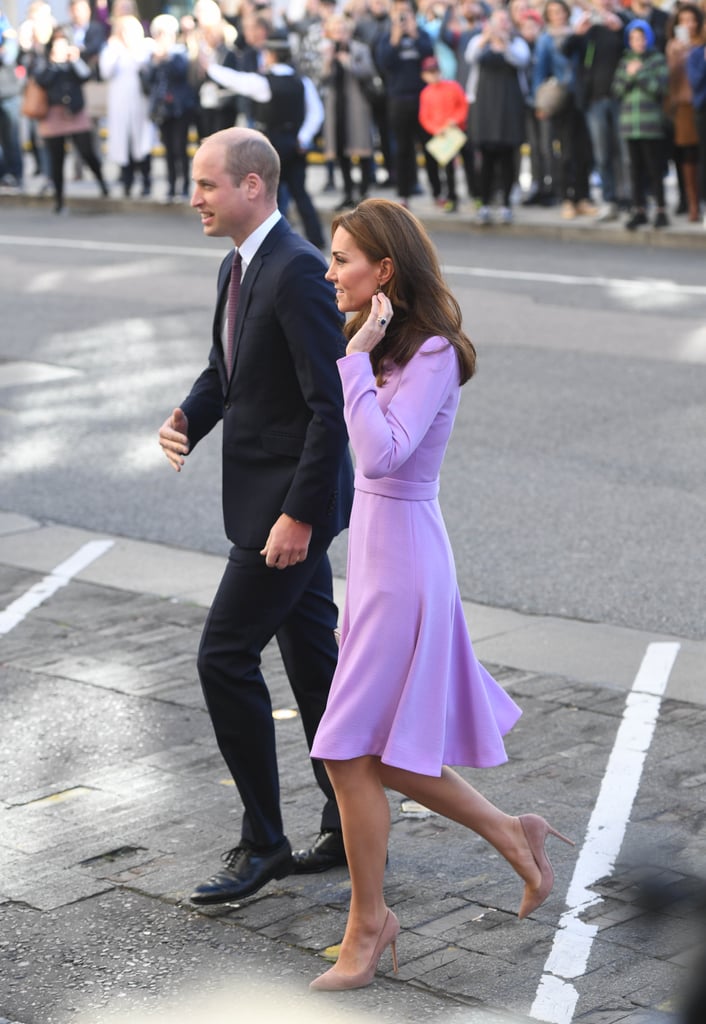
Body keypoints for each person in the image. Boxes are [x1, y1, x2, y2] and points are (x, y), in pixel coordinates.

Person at [308, 197, 573, 991]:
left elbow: (383, 457)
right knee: (372, 753)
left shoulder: (429, 356)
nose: (330, 272)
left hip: (407, 564)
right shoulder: (387, 345)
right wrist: (360, 355)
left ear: (385, 270)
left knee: (346, 751)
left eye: (344, 258)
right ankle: (508, 832)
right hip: (378, 557)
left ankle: (367, 926)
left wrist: (353, 360)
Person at [157, 127, 354, 905]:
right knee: (314, 669)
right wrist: (187, 417)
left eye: (206, 184)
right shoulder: (238, 265)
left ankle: (263, 842)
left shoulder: (300, 271)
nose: (194, 198)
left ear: (252, 187)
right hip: (265, 497)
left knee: (223, 657)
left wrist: (299, 517)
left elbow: (329, 409)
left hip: (285, 512)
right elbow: (227, 369)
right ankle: (347, 825)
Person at [203, 35, 326, 248]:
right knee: (300, 193)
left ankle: (275, 241)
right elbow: (316, 113)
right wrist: (303, 137)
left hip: (272, 145)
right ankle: (317, 239)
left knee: (270, 197)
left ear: (271, 56)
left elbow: (236, 80)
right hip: (295, 145)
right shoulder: (302, 81)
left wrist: (210, 67)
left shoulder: (265, 82)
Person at [33, 25, 109, 212]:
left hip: (76, 113)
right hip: (53, 115)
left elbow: (86, 76)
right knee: (57, 159)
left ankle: (103, 184)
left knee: (87, 152)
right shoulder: (46, 63)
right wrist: (54, 63)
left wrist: (73, 59)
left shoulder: (74, 61)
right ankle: (59, 200)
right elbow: (41, 81)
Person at [466, 7, 530, 224]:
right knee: (486, 158)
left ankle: (506, 205)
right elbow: (470, 56)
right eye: (498, 21)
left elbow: (521, 60)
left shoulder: (517, 43)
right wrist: (486, 38)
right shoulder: (478, 41)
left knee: (507, 158)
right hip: (485, 107)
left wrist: (505, 44)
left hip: (509, 107)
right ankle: (483, 203)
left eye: (505, 21)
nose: (502, 25)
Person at [611, 19, 669, 229]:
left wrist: (640, 73)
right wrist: (629, 75)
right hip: (630, 125)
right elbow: (617, 90)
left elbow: (659, 89)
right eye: (634, 38)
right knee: (635, 171)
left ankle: (661, 210)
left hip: (650, 125)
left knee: (654, 169)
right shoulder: (625, 61)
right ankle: (639, 209)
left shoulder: (656, 59)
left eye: (642, 37)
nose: (638, 42)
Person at [99, 14, 155, 197]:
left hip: (140, 102)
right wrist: (118, 50)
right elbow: (105, 71)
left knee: (143, 142)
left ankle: (146, 181)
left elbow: (148, 68)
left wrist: (132, 50)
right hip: (120, 103)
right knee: (123, 143)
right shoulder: (111, 48)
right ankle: (127, 181)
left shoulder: (146, 46)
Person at [666, 3, 704, 222]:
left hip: (702, 103)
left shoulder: (702, 44)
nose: (688, 25)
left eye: (692, 20)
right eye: (684, 21)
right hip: (684, 106)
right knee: (687, 155)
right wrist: (676, 55)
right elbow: (670, 82)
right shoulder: (674, 47)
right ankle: (692, 203)